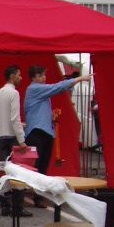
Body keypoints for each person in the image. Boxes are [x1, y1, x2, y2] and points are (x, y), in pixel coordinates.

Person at [23, 66, 92, 206]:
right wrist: (79, 78)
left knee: (42, 166)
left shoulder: (39, 91)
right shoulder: (34, 89)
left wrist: (71, 85)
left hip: (45, 131)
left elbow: (60, 89)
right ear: (35, 77)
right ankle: (33, 195)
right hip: (37, 132)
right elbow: (58, 87)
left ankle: (38, 196)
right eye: (41, 75)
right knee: (37, 167)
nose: (44, 78)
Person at [0, 64, 31, 218]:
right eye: (19, 75)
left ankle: (5, 206)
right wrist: (21, 140)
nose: (21, 78)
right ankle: (18, 208)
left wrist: (4, 125)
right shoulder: (14, 93)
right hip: (13, 138)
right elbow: (15, 118)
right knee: (19, 174)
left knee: (6, 172)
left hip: (2, 136)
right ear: (12, 76)